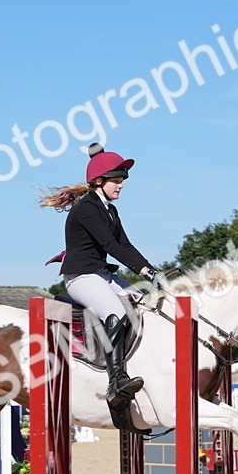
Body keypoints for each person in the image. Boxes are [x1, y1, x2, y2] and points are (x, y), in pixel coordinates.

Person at [39, 143, 162, 403]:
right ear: (99, 181)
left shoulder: (110, 210)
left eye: (121, 181)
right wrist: (145, 272)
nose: (121, 185)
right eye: (116, 181)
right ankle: (116, 380)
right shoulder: (86, 209)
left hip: (101, 274)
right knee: (116, 312)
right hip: (81, 277)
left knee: (142, 304)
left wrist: (152, 272)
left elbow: (125, 245)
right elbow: (111, 246)